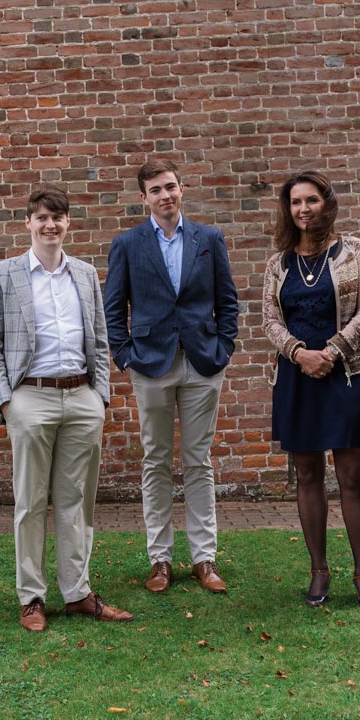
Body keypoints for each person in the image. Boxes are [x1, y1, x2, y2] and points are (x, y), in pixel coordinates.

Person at [0, 186, 133, 631]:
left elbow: (99, 341)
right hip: (29, 397)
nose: (50, 225)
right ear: (28, 222)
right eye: (42, 217)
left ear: (68, 223)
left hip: (81, 398)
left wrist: (99, 397)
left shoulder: (84, 274)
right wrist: (7, 402)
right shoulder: (2, 275)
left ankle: (78, 593)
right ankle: (31, 597)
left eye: (57, 217)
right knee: (30, 503)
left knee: (77, 502)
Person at [104, 159, 239, 595]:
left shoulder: (209, 238)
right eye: (156, 190)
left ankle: (204, 558)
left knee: (199, 461)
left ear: (182, 189)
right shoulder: (127, 244)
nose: (165, 196)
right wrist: (125, 355)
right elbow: (113, 307)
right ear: (143, 198)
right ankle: (160, 559)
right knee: (156, 461)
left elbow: (228, 301)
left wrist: (224, 348)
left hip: (203, 362)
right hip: (150, 364)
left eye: (170, 187)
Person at [262, 171, 360, 610]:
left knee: (352, 476)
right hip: (297, 377)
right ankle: (319, 570)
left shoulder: (354, 251)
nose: (303, 209)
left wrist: (330, 352)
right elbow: (269, 319)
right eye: (296, 202)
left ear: (326, 203)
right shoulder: (278, 263)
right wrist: (300, 354)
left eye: (311, 200)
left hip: (347, 374)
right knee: (308, 475)